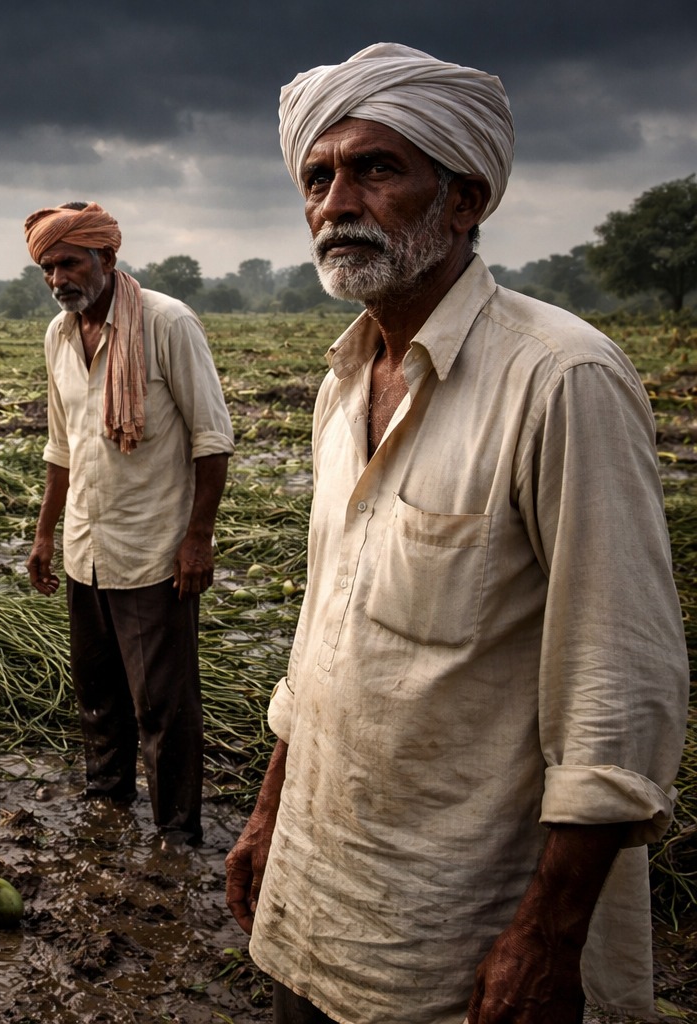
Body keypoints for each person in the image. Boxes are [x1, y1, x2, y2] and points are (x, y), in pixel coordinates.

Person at [224, 43, 689, 1024]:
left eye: (376, 168)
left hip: (458, 932)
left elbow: (619, 691)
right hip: (320, 890)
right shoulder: (342, 382)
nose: (337, 200)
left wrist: (547, 935)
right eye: (318, 175)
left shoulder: (561, 379)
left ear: (464, 198)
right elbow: (323, 630)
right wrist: (271, 811)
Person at [23, 202, 234, 851]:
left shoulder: (166, 323)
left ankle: (176, 830)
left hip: (152, 551)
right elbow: (63, 446)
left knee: (163, 708)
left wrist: (197, 538)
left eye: (69, 262)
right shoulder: (59, 336)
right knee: (97, 694)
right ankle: (107, 799)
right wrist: (44, 533)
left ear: (106, 259)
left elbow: (212, 437)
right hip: (87, 547)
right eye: (47, 267)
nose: (58, 277)